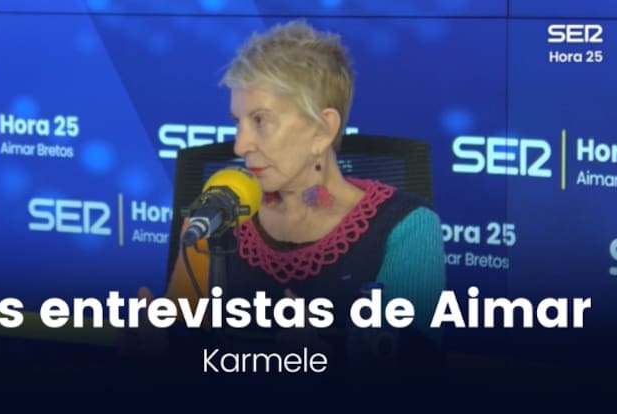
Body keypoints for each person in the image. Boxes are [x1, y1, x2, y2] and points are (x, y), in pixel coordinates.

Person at [130, 19, 446, 383]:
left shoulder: (408, 227)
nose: (240, 145)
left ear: (323, 130)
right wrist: (158, 350)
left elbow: (412, 378)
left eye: (260, 121)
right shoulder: (215, 215)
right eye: (238, 122)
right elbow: (185, 354)